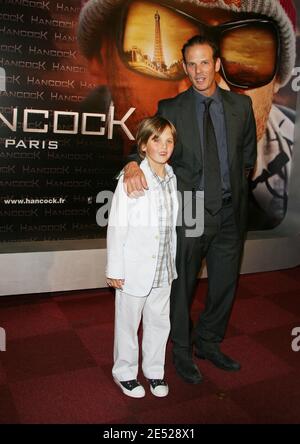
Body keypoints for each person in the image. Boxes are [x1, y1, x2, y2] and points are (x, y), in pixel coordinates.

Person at [77, 0, 296, 230]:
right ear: (101, 57)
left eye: (246, 58)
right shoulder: (68, 167)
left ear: (278, 79)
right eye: (167, 59)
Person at [123, 34, 257, 384]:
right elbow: (146, 145)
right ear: (184, 67)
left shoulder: (241, 107)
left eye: (204, 63)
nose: (198, 70)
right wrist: (133, 165)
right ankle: (181, 350)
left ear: (216, 65)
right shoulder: (172, 108)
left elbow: (248, 159)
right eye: (191, 64)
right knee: (181, 286)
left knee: (225, 283)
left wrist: (230, 191)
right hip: (193, 209)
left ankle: (209, 341)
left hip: (230, 211)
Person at [106, 116, 179, 397]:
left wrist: (171, 264)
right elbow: (117, 225)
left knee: (160, 322)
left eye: (169, 140)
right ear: (144, 146)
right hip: (134, 267)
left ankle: (154, 372)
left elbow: (169, 227)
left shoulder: (172, 177)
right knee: (128, 323)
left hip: (163, 268)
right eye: (156, 140)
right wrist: (115, 268)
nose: (164, 146)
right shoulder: (133, 176)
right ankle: (124, 373)